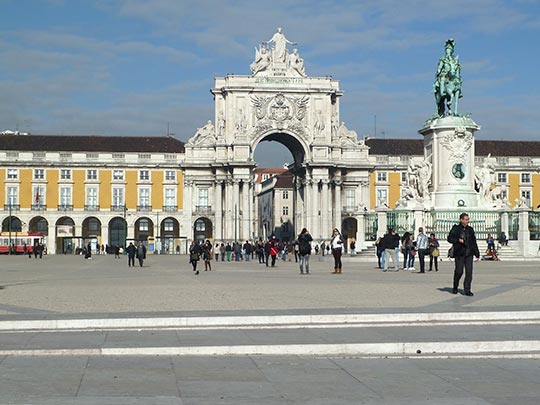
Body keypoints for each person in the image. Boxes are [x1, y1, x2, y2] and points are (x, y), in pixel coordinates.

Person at [447, 213, 480, 296]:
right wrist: (458, 240)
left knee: (469, 272)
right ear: (461, 220)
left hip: (469, 253)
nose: (467, 221)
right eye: (466, 219)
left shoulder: (470, 230)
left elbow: (473, 242)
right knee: (459, 271)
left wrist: (477, 254)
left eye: (468, 219)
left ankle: (467, 289)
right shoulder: (456, 229)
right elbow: (449, 238)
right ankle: (455, 285)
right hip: (459, 253)